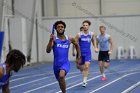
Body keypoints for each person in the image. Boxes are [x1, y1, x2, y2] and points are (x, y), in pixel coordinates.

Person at [46, 20, 81, 93]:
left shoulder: (70, 39)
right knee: (60, 81)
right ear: (56, 29)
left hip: (65, 63)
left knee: (61, 76)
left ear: (64, 28)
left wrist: (79, 56)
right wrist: (50, 40)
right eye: (58, 27)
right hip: (56, 65)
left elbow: (77, 45)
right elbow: (48, 50)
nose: (60, 28)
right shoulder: (54, 39)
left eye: (62, 27)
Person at [75, 20, 97, 87]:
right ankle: (80, 68)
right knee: (79, 67)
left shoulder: (91, 34)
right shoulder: (79, 35)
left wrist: (95, 47)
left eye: (86, 25)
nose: (85, 26)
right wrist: (77, 53)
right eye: (84, 25)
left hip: (88, 53)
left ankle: (84, 81)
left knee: (87, 66)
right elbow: (75, 43)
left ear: (89, 26)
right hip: (80, 54)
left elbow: (93, 40)